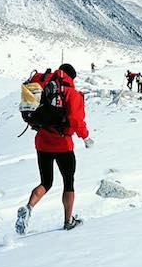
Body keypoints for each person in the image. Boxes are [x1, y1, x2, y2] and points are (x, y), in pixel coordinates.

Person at [16, 63, 93, 234]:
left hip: (42, 143)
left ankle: (28, 208)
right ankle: (68, 221)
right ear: (71, 77)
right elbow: (76, 121)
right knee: (68, 182)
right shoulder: (71, 94)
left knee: (46, 182)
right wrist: (86, 137)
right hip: (63, 145)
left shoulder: (43, 86)